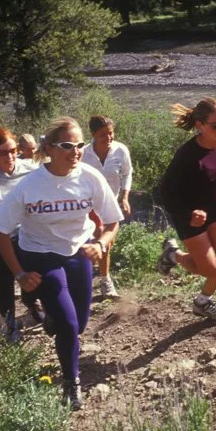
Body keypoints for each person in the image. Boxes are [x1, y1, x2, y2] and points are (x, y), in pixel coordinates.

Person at [0, 117, 123, 410]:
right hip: (40, 255)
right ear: (49, 148)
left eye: (79, 145)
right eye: (67, 146)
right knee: (68, 324)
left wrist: (101, 244)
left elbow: (113, 221)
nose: (75, 151)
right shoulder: (30, 185)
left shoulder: (90, 177)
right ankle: (70, 383)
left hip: (78, 254)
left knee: (80, 323)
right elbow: (0, 231)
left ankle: (51, 316)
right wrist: (20, 273)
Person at [157, 97, 216, 323]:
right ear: (200, 126)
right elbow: (166, 191)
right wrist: (187, 214)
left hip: (214, 206)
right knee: (209, 269)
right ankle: (173, 255)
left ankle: (202, 302)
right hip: (188, 215)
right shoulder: (187, 154)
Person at [0, 126, 44, 342]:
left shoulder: (29, 166)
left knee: (36, 278)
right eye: (3, 152)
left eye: (13, 150)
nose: (10, 156)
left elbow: (52, 169)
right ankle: (8, 333)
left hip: (25, 238)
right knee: (3, 293)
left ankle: (31, 302)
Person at [81, 115, 133, 299]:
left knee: (106, 242)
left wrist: (125, 197)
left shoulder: (120, 151)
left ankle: (105, 282)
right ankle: (85, 276)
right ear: (93, 134)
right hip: (87, 205)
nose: (109, 138)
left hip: (109, 203)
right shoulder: (84, 154)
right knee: (90, 240)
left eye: (111, 133)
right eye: (103, 134)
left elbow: (127, 173)